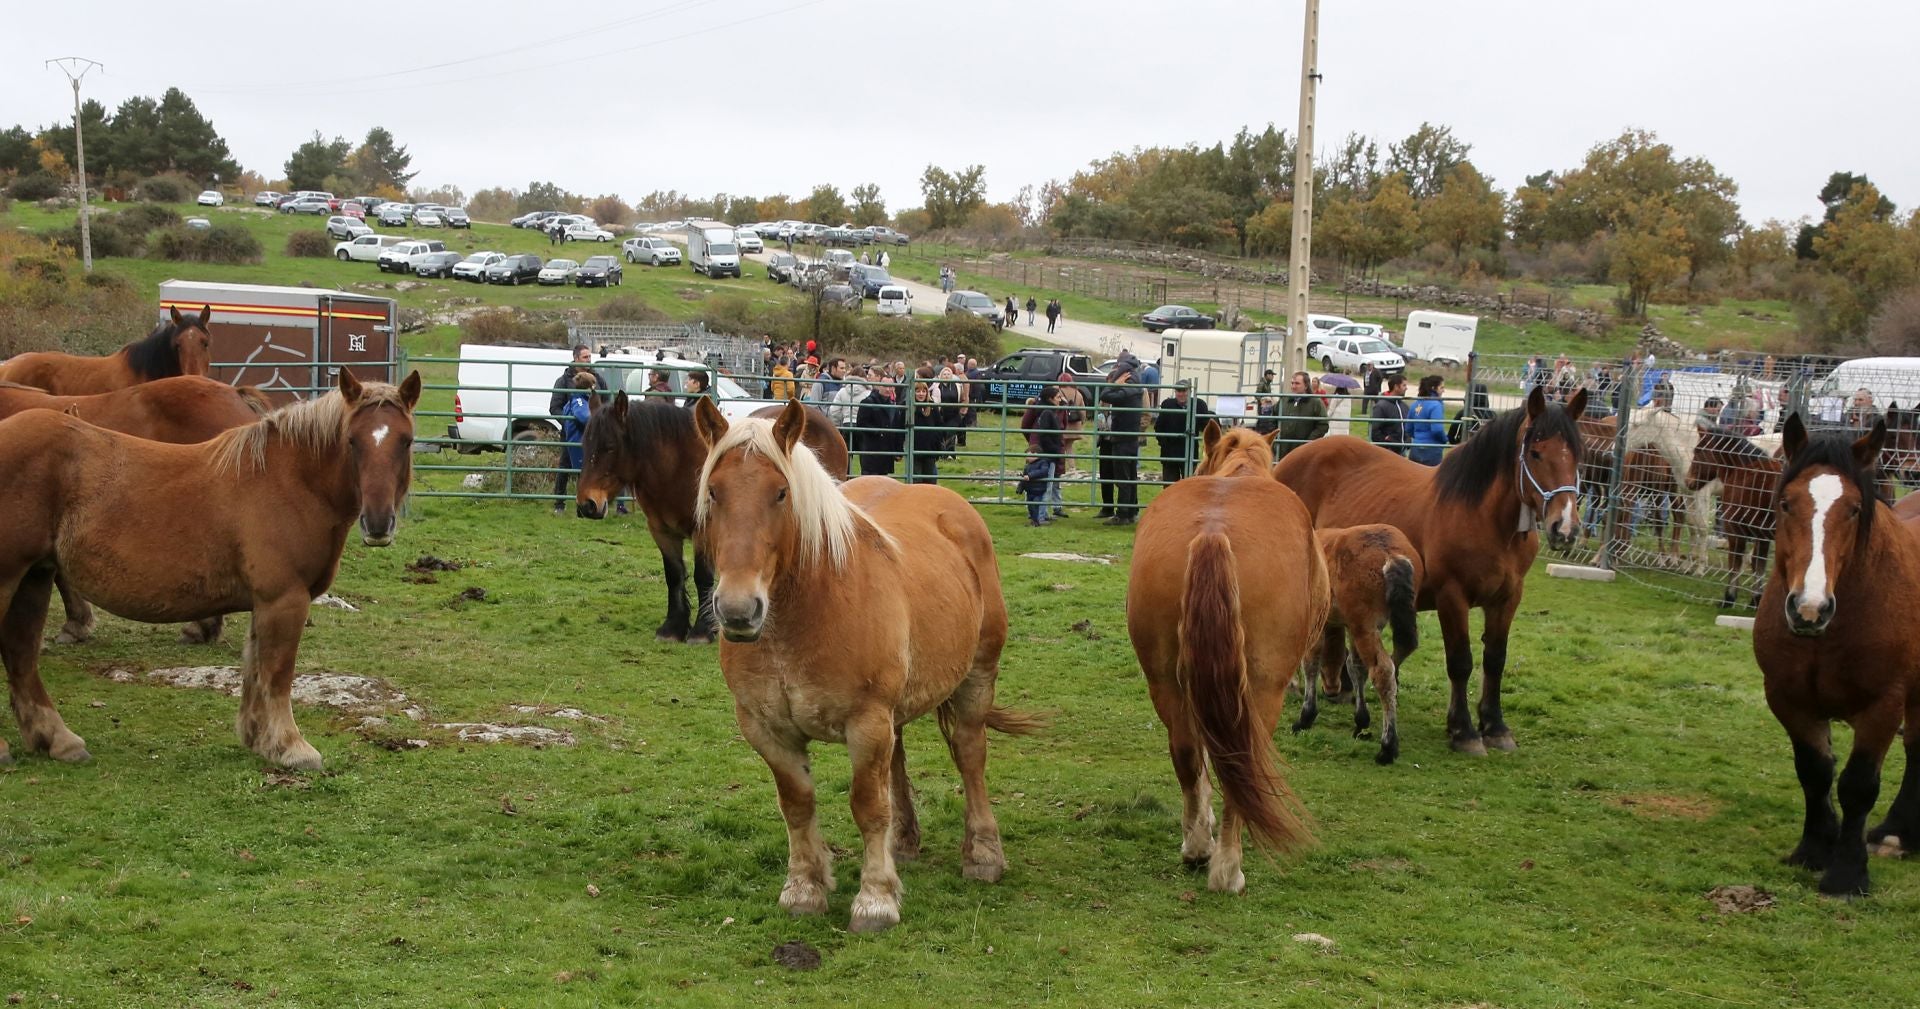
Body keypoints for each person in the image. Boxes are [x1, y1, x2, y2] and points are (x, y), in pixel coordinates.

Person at [1096, 361, 1145, 524]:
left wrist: (1114, 384)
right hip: (1130, 438)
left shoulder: (1126, 389)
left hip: (1122, 439)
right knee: (1130, 476)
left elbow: (1104, 395)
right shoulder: (1136, 386)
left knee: (1123, 477)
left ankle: (1123, 514)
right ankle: (1130, 511)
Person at [1021, 385, 1066, 525]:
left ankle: (1040, 514)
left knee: (1041, 484)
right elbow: (1045, 434)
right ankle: (1039, 517)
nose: (1061, 399)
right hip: (1047, 453)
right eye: (1058, 397)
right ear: (1050, 398)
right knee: (1045, 485)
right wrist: (1055, 450)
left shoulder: (1043, 410)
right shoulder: (1048, 412)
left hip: (1043, 450)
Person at [1153, 380, 1211, 482]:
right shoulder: (1167, 404)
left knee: (1189, 485)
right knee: (1169, 486)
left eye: (1184, 390)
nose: (1181, 394)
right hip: (1169, 453)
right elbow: (1159, 427)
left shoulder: (1199, 405)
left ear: (1190, 391)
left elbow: (1206, 426)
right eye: (1178, 391)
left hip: (1189, 452)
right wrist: (1164, 444)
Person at [854, 376, 906, 476]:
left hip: (886, 451)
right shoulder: (868, 402)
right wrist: (878, 432)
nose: (888, 389)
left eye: (890, 387)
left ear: (894, 388)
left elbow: (897, 428)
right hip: (871, 449)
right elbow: (861, 424)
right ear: (878, 386)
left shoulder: (893, 406)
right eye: (885, 386)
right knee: (870, 479)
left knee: (883, 480)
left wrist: (898, 449)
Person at [1274, 371, 1329, 460]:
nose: (1293, 386)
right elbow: (1273, 418)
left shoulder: (1315, 403)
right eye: (1292, 383)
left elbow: (1323, 425)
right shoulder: (1284, 400)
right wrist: (1276, 439)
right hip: (1282, 450)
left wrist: (1308, 442)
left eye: (1297, 383)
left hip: (1304, 452)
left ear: (1306, 386)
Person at [1407, 375, 1448, 466]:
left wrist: (1418, 438)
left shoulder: (1415, 404)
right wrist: (1444, 439)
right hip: (1432, 449)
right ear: (1433, 388)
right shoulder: (1435, 405)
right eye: (1441, 387)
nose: (1443, 390)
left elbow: (1408, 428)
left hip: (1415, 448)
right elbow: (1437, 429)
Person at [908, 381, 943, 484]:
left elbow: (939, 426)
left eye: (924, 391)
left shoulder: (932, 407)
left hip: (930, 450)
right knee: (916, 479)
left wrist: (937, 444)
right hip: (914, 450)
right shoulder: (909, 408)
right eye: (918, 391)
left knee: (930, 479)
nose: (921, 394)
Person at [1371, 374, 1409, 456]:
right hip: (1387, 454)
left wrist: (1408, 442)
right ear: (1396, 387)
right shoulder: (1381, 406)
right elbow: (1375, 431)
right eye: (1404, 385)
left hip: (1402, 453)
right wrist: (1387, 447)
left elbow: (1408, 427)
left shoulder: (1404, 406)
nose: (1406, 388)